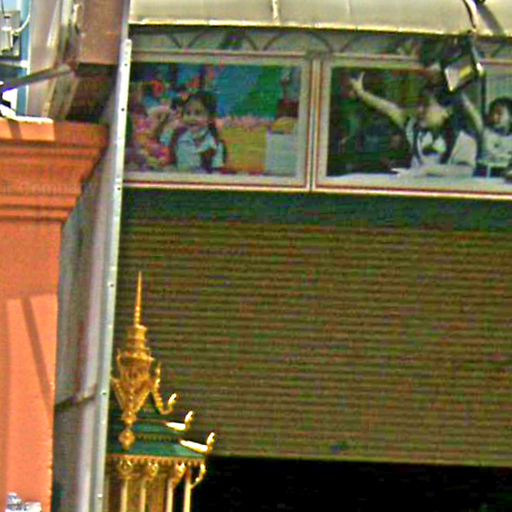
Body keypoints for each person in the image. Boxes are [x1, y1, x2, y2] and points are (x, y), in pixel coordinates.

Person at [348, 72, 477, 177]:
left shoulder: (463, 141)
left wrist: (427, 170)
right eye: (419, 104)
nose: (419, 110)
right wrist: (362, 94)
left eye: (426, 105)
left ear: (447, 111)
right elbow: (391, 109)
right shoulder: (414, 130)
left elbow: (465, 171)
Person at [167, 91, 227, 173]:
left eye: (198, 113)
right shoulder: (177, 138)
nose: (192, 118)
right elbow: (171, 163)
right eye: (188, 113)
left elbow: (216, 173)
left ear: (210, 118)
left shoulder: (216, 145)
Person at [461, 94, 512, 177]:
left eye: (499, 113)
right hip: (483, 177)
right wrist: (460, 94)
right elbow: (471, 112)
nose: (494, 117)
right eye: (492, 113)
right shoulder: (484, 133)